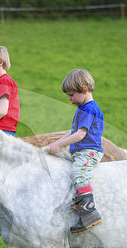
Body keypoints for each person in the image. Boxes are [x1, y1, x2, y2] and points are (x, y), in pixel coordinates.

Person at [47, 68, 104, 233]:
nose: (70, 99)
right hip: (80, 151)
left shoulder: (88, 109)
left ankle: (89, 211)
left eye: (72, 95)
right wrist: (58, 142)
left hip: (89, 151)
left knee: (78, 173)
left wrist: (60, 145)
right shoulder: (84, 108)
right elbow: (73, 133)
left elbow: (80, 135)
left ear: (84, 89)